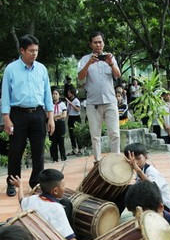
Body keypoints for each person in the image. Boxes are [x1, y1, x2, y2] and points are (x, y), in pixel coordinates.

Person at [2, 35, 55, 196]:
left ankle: (36, 182)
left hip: (38, 113)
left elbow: (47, 94)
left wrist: (50, 116)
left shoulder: (41, 69)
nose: (34, 53)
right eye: (31, 50)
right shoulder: (11, 69)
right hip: (18, 113)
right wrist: (6, 118)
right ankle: (12, 183)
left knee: (39, 150)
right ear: (22, 50)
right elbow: (6, 94)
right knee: (16, 151)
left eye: (36, 50)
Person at [9, 169, 81, 240]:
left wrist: (20, 185)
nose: (64, 188)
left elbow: (21, 200)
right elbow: (69, 239)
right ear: (55, 191)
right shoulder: (57, 208)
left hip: (34, 237)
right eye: (63, 186)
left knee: (65, 202)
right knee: (66, 203)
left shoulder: (32, 199)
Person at [77, 31, 120, 161]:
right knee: (95, 136)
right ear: (90, 44)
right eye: (95, 42)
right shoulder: (85, 59)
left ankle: (115, 160)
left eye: (100, 42)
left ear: (104, 43)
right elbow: (80, 77)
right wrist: (89, 63)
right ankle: (97, 161)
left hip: (110, 101)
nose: (98, 45)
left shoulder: (110, 58)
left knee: (115, 133)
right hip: (93, 103)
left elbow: (117, 75)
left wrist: (110, 63)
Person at [125, 142, 170, 211]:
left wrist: (138, 171)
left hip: (164, 208)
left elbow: (153, 188)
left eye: (138, 158)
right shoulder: (141, 170)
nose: (135, 162)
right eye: (132, 160)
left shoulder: (152, 171)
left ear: (146, 157)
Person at [49, 89, 67, 162]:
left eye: (56, 94)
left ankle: (63, 156)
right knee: (53, 142)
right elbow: (48, 116)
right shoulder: (50, 104)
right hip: (52, 123)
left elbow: (64, 115)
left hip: (60, 124)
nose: (54, 95)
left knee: (61, 141)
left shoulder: (62, 104)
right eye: (53, 94)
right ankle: (54, 158)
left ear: (59, 95)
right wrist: (59, 114)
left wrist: (54, 116)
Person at [65, 88, 82, 156]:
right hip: (71, 118)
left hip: (76, 118)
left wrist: (71, 104)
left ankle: (80, 149)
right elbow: (68, 111)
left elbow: (78, 109)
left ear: (73, 93)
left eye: (69, 92)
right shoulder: (68, 101)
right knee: (71, 135)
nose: (68, 94)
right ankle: (74, 149)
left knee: (77, 134)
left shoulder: (76, 100)